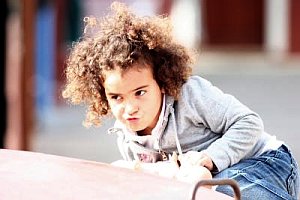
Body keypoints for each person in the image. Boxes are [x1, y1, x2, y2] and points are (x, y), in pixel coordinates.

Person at [62, 2, 299, 199]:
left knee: (218, 193)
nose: (129, 108)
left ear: (162, 82)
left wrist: (208, 159)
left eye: (140, 92)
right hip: (207, 181)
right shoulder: (127, 137)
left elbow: (249, 123)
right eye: (116, 97)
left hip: (265, 163)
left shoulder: (190, 95)